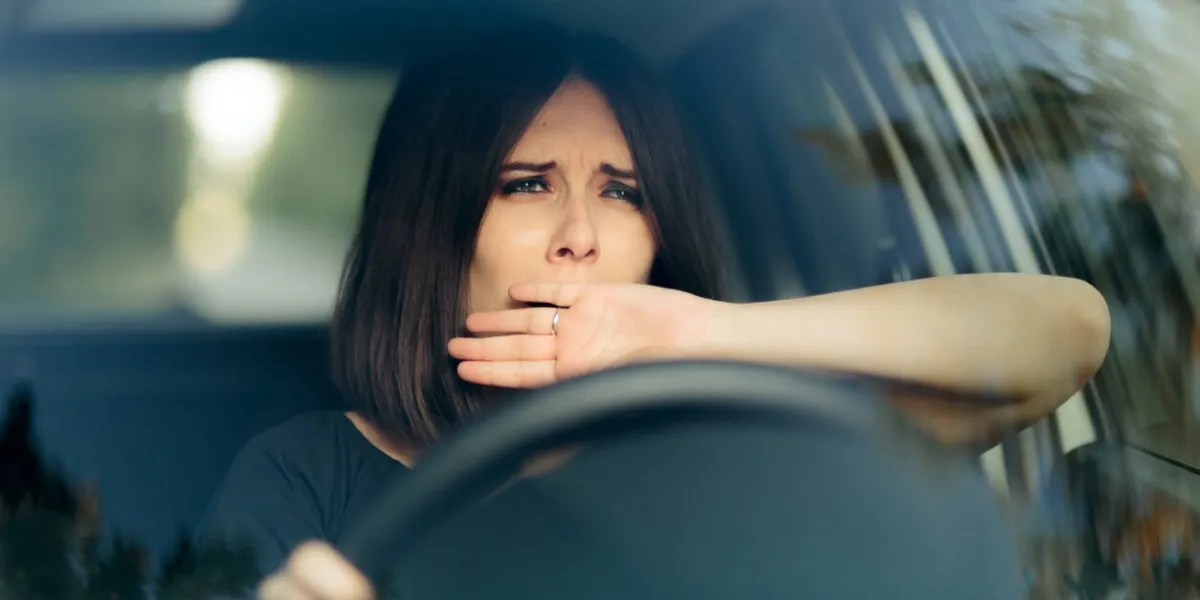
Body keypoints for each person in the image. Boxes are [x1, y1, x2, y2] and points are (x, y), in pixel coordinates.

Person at [197, 24, 1112, 600]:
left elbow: (1066, 333)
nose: (581, 236)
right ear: (433, 226)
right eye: (527, 184)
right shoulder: (304, 476)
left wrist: (700, 332)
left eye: (624, 192)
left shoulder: (742, 440)